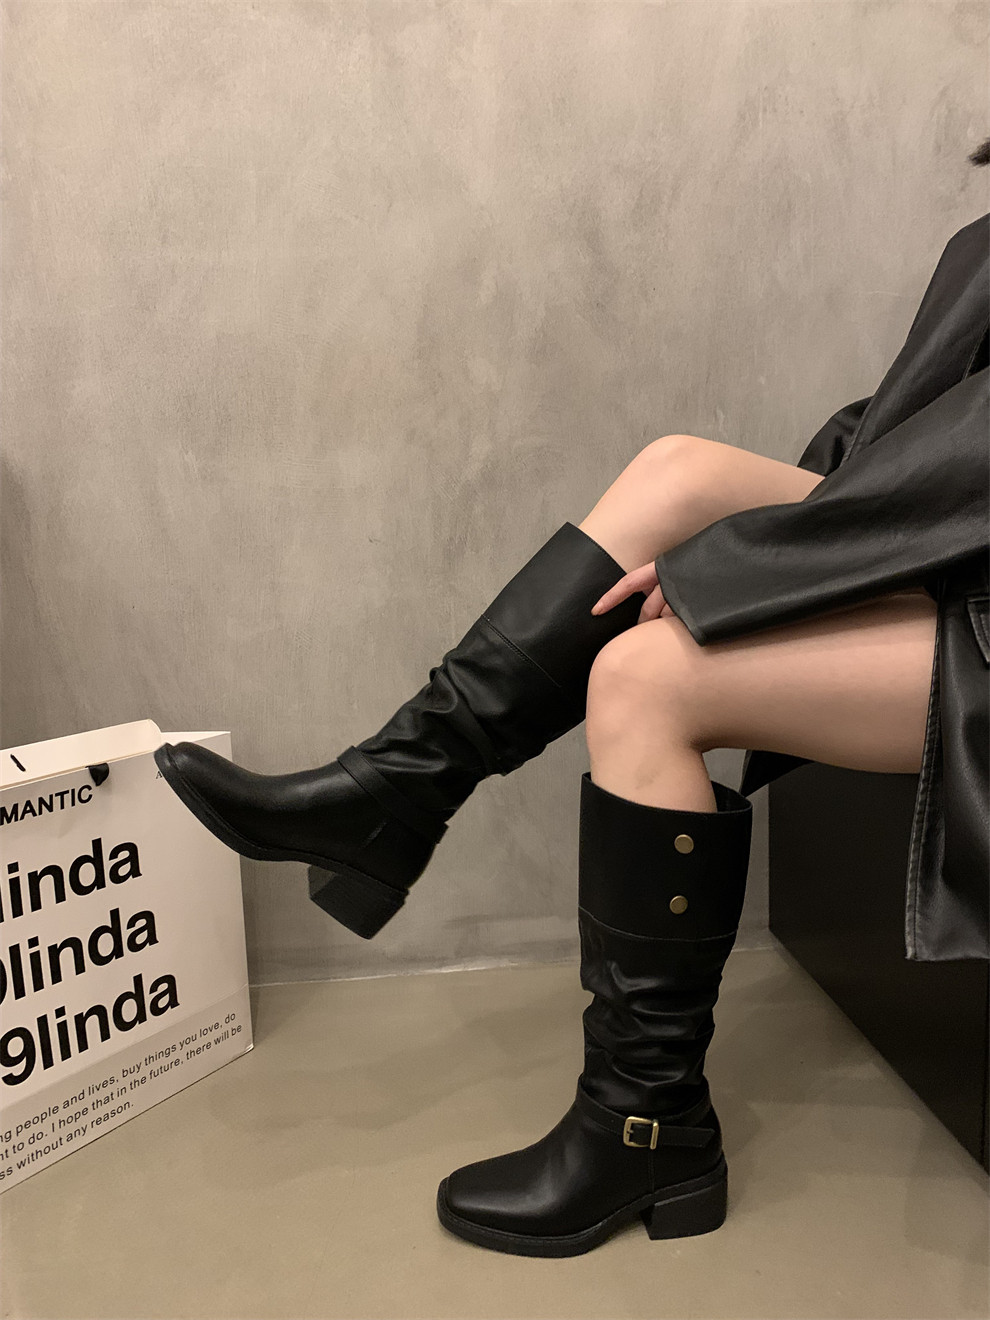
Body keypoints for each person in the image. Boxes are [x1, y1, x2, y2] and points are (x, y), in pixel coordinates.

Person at [154, 140, 990, 1258]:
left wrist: (756, 569)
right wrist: (765, 550)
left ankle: (648, 1128)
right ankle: (399, 783)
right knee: (681, 470)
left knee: (643, 679)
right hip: (953, 542)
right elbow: (918, 428)